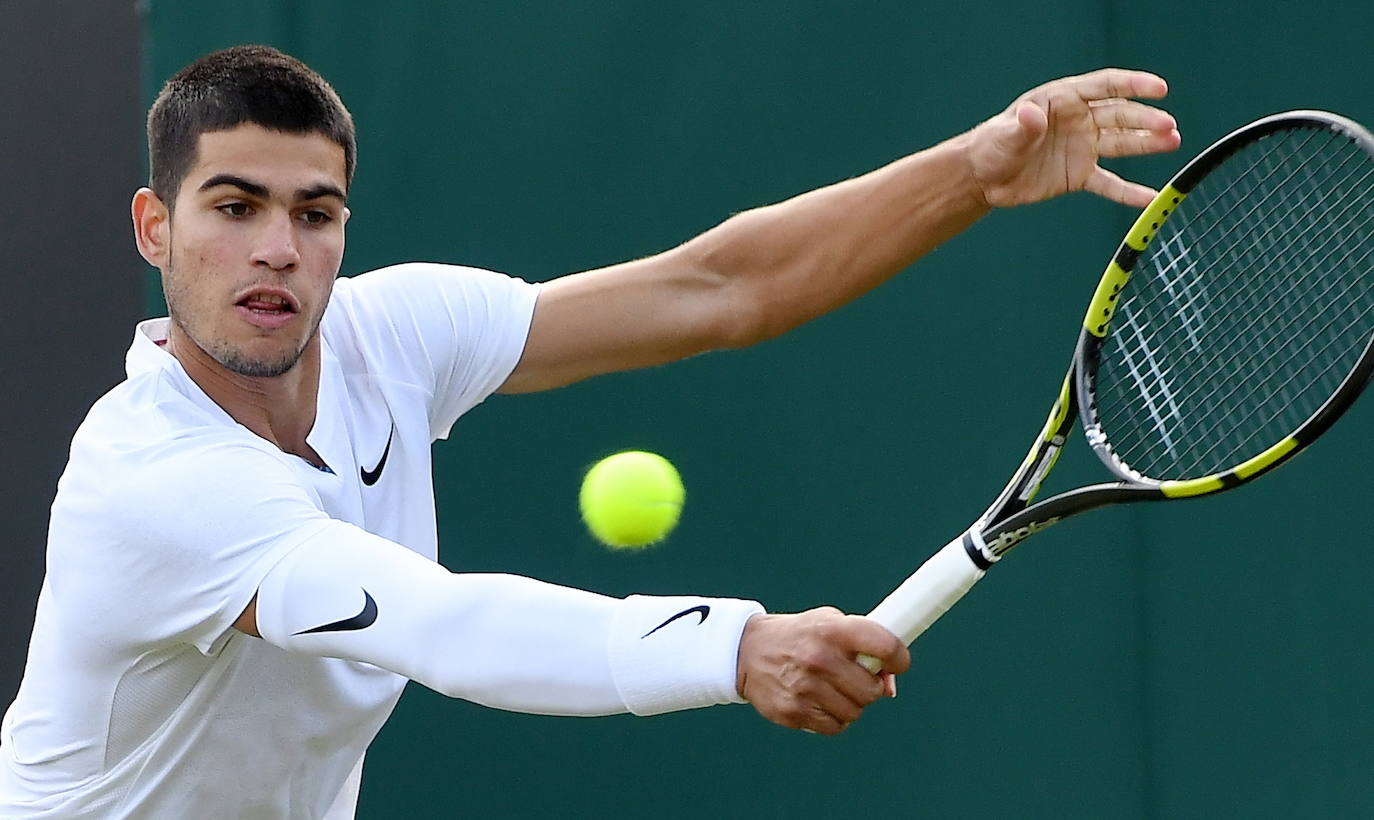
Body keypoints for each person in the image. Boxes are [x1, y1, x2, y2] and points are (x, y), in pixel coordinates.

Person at [0, 45, 1179, 819]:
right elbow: (441, 623)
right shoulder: (154, 484)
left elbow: (714, 288)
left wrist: (971, 172)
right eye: (234, 206)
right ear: (155, 228)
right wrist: (734, 645)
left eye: (314, 213)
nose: (277, 248)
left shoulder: (389, 335)